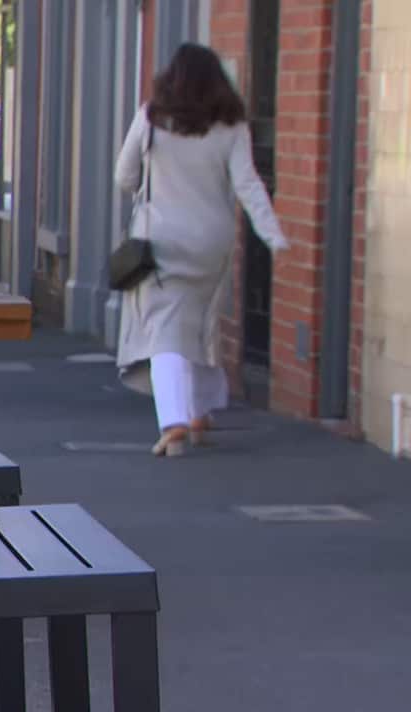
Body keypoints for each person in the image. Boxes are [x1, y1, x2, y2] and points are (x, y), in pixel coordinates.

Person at [113, 43, 289, 457]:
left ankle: (173, 419)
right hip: (213, 240)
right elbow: (248, 184)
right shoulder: (231, 126)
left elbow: (125, 175)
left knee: (164, 331)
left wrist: (149, 191)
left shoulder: (152, 117)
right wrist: (274, 235)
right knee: (201, 321)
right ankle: (200, 411)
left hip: (160, 240)